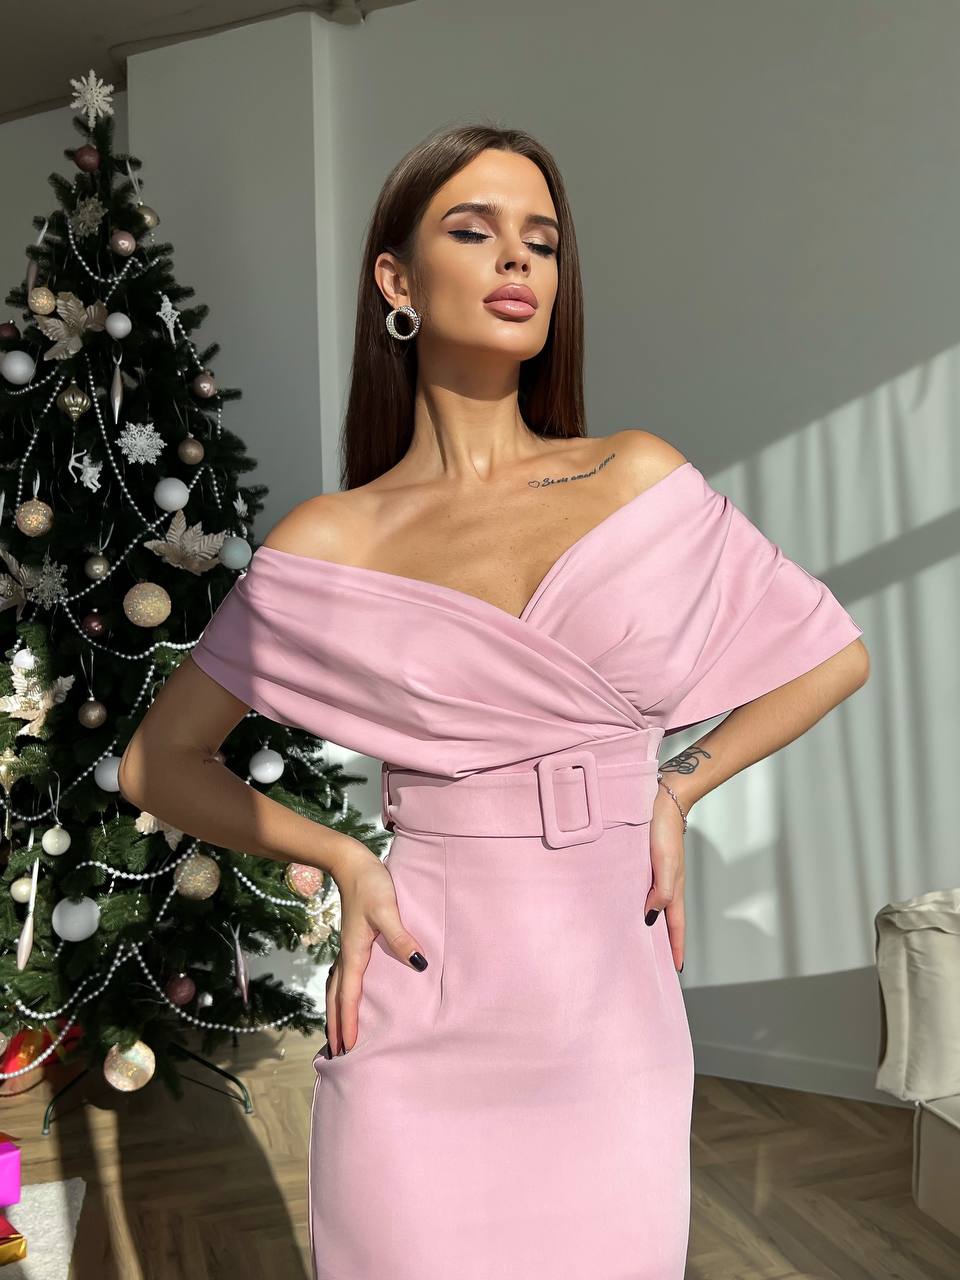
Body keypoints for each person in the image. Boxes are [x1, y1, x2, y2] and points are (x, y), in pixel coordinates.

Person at [118, 124, 870, 1280]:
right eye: (474, 231)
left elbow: (829, 653)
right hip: (427, 995)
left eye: (542, 242)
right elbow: (159, 763)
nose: (518, 261)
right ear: (396, 279)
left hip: (610, 1023)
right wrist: (347, 858)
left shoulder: (635, 476)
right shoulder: (336, 538)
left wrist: (675, 786)